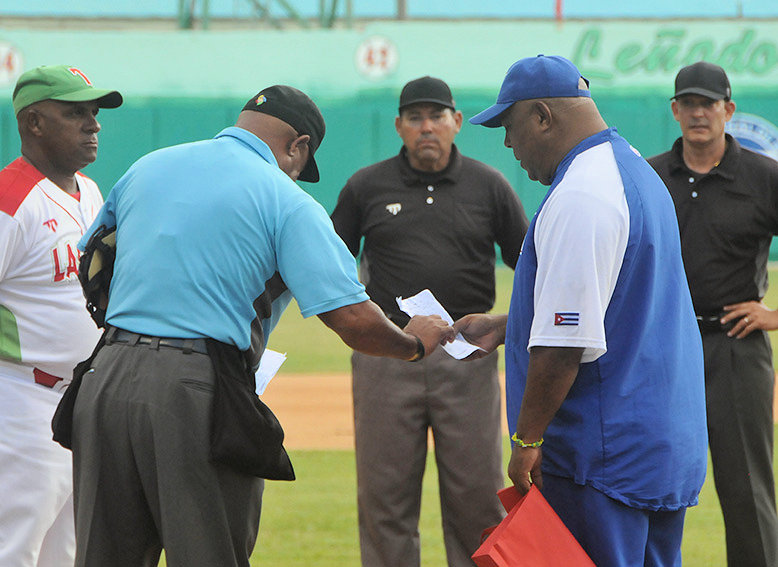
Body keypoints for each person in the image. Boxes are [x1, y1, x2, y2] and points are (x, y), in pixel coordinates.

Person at [69, 84, 454, 567]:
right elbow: (353, 319)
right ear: (299, 146)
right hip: (193, 388)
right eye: (299, 164)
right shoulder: (286, 199)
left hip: (104, 377)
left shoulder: (147, 167)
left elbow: (93, 264)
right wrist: (413, 344)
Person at [454, 55, 708, 566]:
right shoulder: (631, 168)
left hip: (602, 456)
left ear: (542, 117)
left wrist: (527, 438)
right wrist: (509, 326)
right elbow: (619, 302)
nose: (508, 144)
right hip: (657, 445)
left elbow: (563, 346)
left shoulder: (582, 194)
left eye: (510, 127)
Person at [330, 75, 528, 567]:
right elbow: (329, 264)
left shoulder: (489, 185)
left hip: (467, 356)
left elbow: (530, 265)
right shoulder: (366, 186)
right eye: (414, 117)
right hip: (388, 353)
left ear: (456, 121)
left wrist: (507, 325)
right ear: (398, 125)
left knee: (477, 498)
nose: (426, 127)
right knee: (385, 498)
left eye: (436, 116)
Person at [0, 65, 122, 566]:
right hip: (15, 399)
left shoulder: (89, 192)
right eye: (75, 112)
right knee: (6, 555)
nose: (93, 124)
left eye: (94, 112)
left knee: (65, 555)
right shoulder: (6, 202)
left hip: (74, 399)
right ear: (33, 122)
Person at [647, 61, 778, 567]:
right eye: (689, 103)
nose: (699, 113)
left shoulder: (763, 177)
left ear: (729, 110)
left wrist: (774, 316)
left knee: (746, 487)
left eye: (709, 103)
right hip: (662, 346)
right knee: (649, 480)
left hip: (734, 345)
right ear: (675, 110)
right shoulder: (651, 177)